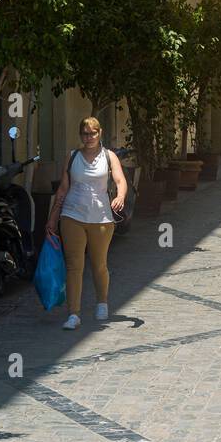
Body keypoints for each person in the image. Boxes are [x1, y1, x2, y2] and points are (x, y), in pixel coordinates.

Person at [44, 117, 128, 330]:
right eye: (85, 134)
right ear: (80, 135)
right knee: (74, 266)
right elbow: (63, 188)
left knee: (99, 264)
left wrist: (120, 196)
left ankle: (102, 301)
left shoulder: (109, 157)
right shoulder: (72, 157)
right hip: (72, 215)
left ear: (100, 133)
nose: (89, 137)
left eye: (92, 133)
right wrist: (53, 217)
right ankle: (73, 314)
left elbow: (120, 180)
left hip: (101, 218)